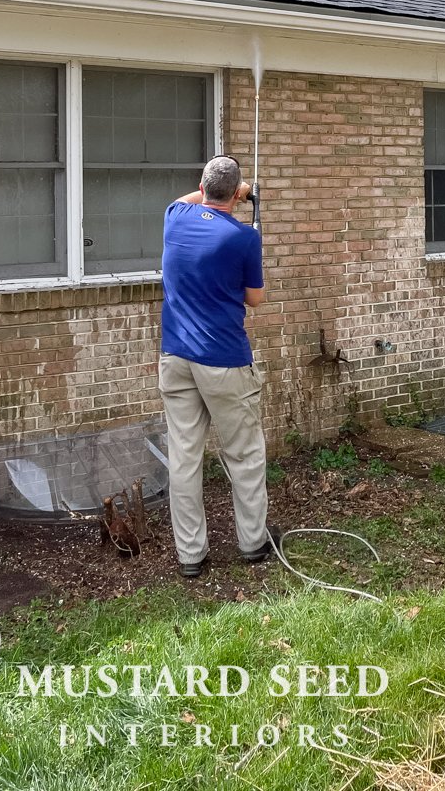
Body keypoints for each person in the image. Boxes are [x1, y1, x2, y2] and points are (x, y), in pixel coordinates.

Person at [158, 155, 280, 578]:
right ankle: (252, 542)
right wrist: (243, 200)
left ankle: (191, 555)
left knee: (184, 459)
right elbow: (255, 299)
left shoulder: (176, 217)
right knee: (244, 454)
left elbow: (189, 198)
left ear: (201, 186)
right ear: (236, 194)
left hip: (175, 358)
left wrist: (228, 191)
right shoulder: (244, 238)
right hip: (224, 361)